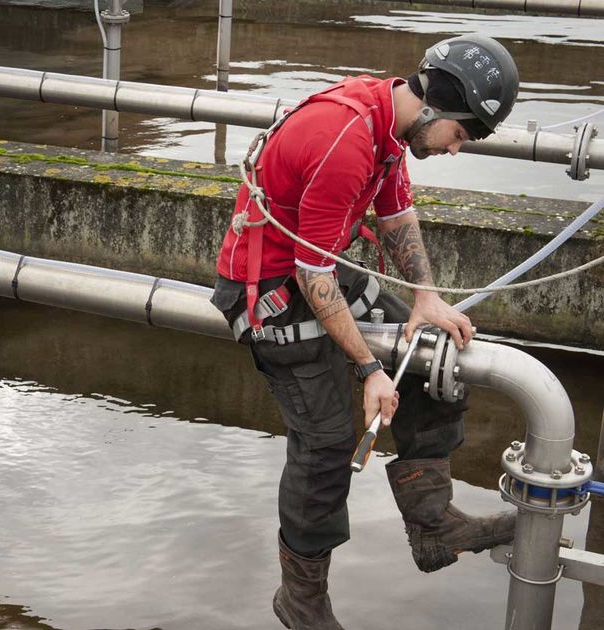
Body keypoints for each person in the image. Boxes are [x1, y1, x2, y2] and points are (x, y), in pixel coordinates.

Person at [209, 36, 520, 629]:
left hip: (317, 274)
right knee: (326, 443)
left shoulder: (387, 126)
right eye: (461, 133)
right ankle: (300, 598)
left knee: (434, 358)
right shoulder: (345, 141)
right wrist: (370, 370)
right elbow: (311, 274)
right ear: (436, 106)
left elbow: (396, 214)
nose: (457, 148)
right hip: (271, 290)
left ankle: (434, 525)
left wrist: (426, 298)